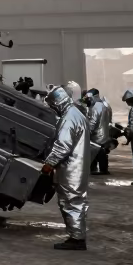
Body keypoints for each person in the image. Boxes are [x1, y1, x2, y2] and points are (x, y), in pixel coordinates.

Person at [41, 84, 90, 250]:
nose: (53, 109)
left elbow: (63, 146)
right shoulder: (77, 114)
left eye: (53, 106)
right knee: (77, 201)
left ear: (58, 103)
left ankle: (77, 238)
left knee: (70, 202)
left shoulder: (68, 118)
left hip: (70, 169)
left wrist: (49, 163)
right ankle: (77, 234)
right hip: (78, 166)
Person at [85, 88, 114, 176]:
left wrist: (88, 131)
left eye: (89, 98)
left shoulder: (96, 107)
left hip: (97, 134)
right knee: (101, 151)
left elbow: (93, 121)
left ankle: (96, 169)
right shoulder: (103, 105)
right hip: (103, 132)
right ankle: (103, 169)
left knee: (96, 151)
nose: (88, 100)